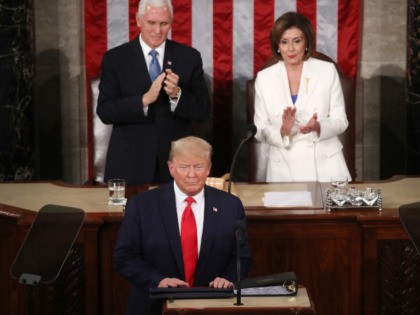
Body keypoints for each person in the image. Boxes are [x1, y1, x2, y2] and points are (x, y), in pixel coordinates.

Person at [114, 136, 251, 315]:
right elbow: (124, 257)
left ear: (208, 168)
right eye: (184, 167)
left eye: (198, 166)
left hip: (212, 305)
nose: (191, 174)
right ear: (171, 168)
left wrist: (228, 278)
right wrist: (158, 280)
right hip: (153, 306)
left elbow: (241, 257)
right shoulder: (142, 205)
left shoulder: (230, 206)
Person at [97, 0, 211, 185]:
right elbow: (105, 111)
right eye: (151, 23)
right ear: (138, 20)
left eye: (164, 24)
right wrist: (143, 100)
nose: (157, 30)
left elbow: (203, 110)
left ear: (171, 22)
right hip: (130, 163)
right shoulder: (115, 59)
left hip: (176, 161)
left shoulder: (189, 58)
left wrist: (177, 95)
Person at [253, 12, 351, 182]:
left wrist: (319, 126)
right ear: (277, 45)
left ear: (306, 43)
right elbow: (259, 129)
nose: (290, 49)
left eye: (296, 41)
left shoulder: (326, 71)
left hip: (326, 169)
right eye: (284, 42)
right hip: (283, 170)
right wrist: (283, 131)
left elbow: (341, 121)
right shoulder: (264, 78)